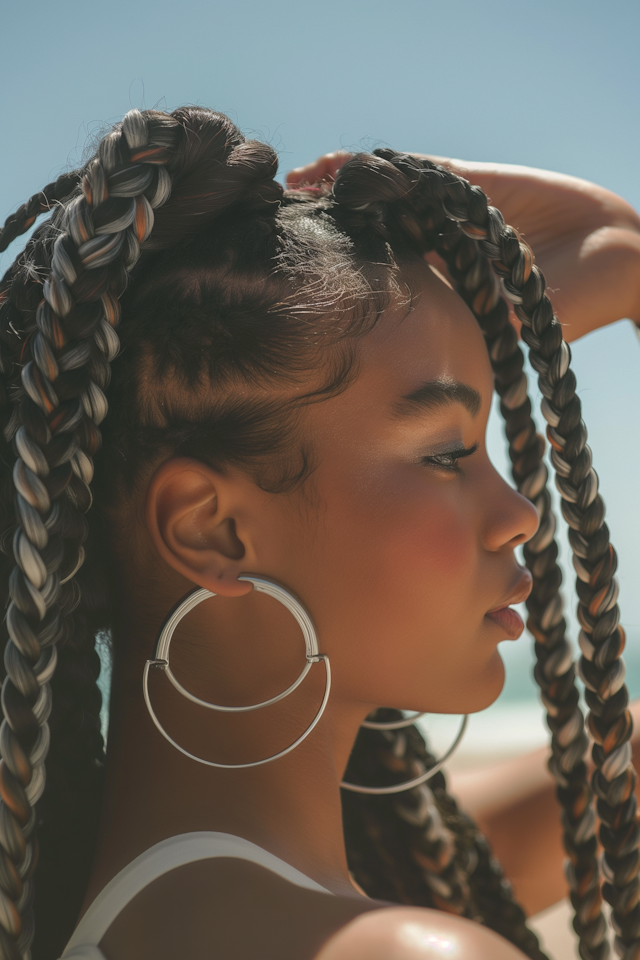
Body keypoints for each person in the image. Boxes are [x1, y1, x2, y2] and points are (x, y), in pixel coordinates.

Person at [0, 105, 639, 960]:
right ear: (215, 529)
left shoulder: (152, 905)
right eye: (448, 453)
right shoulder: (399, 950)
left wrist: (624, 252)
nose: (521, 513)